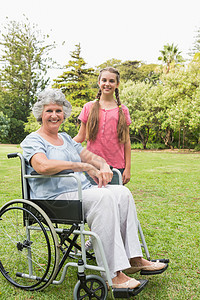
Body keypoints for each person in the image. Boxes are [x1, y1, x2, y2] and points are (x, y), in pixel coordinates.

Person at [21, 89, 167, 291]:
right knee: (104, 196)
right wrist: (81, 167)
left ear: (64, 114)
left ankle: (134, 258)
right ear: (40, 114)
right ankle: (113, 274)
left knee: (122, 192)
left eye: (58, 111)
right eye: (49, 111)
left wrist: (103, 165)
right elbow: (42, 166)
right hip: (53, 198)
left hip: (80, 193)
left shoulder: (66, 139)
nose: (54, 115)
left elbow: (91, 157)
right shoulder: (33, 140)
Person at [74, 67, 131, 185]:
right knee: (95, 200)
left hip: (116, 168)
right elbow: (81, 137)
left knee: (114, 200)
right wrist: (61, 143)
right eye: (104, 80)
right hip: (92, 167)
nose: (107, 84)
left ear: (117, 84)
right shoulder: (88, 107)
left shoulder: (123, 110)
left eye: (111, 81)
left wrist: (128, 169)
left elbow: (126, 141)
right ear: (99, 82)